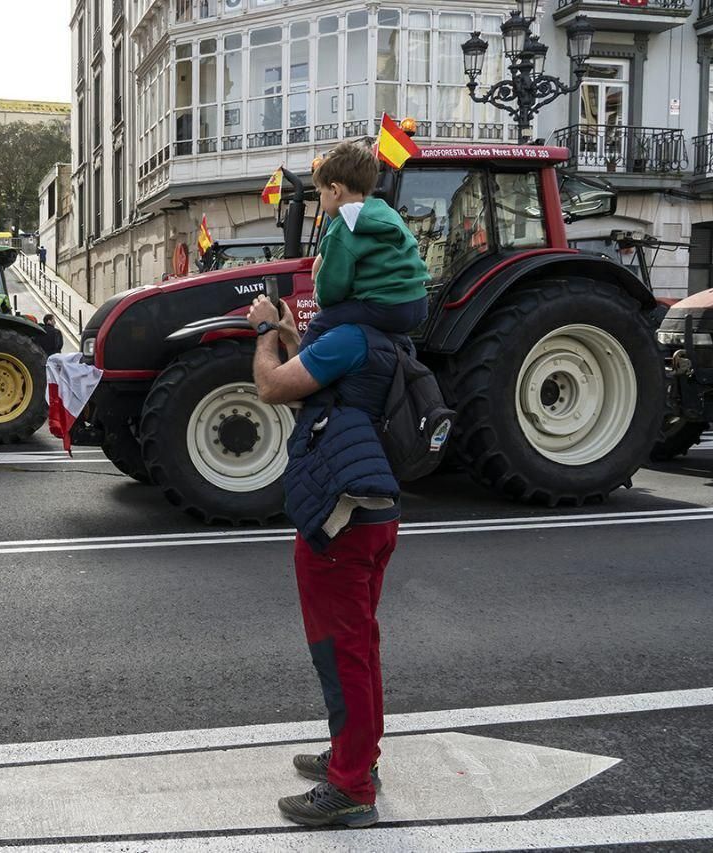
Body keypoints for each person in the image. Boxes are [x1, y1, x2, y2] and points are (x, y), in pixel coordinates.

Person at [249, 164, 415, 826]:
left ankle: (350, 788)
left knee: (340, 649)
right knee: (360, 643)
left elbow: (274, 385)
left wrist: (263, 330)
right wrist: (292, 331)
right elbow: (321, 373)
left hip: (341, 516)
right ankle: (357, 755)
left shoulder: (347, 336)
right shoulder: (383, 333)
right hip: (376, 509)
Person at [310, 141, 430, 335]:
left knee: (320, 323)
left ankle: (300, 366)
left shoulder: (342, 228)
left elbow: (332, 290)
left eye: (319, 193)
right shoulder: (386, 212)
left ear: (334, 190)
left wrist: (319, 295)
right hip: (418, 303)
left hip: (386, 306)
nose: (320, 198)